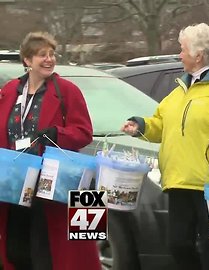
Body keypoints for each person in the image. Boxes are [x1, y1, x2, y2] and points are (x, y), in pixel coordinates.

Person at [121, 23, 209, 270]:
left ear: (198, 55)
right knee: (178, 245)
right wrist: (141, 126)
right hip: (178, 180)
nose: (179, 55)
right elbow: (160, 125)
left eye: (182, 49)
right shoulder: (180, 90)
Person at [0, 32, 100, 270]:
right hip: (17, 182)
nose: (49, 59)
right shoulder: (10, 90)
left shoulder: (68, 90)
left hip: (59, 182)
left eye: (52, 54)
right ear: (27, 60)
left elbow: (84, 132)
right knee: (17, 250)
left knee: (56, 254)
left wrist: (58, 133)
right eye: (41, 55)